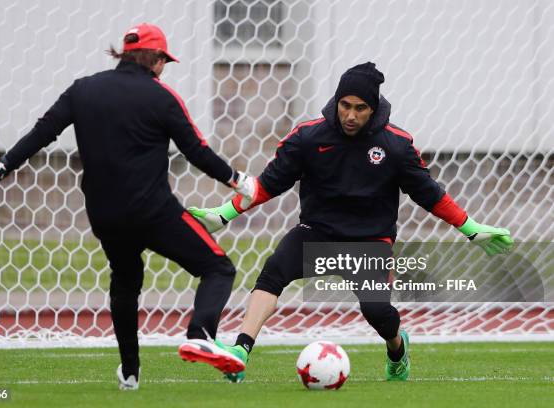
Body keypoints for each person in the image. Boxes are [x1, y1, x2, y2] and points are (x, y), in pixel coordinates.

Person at [0, 23, 255, 390]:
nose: (164, 67)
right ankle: (200, 333)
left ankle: (130, 373)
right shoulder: (161, 96)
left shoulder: (83, 90)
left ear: (124, 53)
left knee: (126, 280)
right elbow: (195, 151)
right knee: (217, 268)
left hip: (104, 215)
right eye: (164, 60)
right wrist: (239, 180)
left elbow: (41, 133)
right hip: (153, 212)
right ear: (157, 60)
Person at [184, 62, 514, 382]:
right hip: (317, 233)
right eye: (345, 105)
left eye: (360, 108)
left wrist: (472, 229)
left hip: (370, 242)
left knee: (377, 314)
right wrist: (223, 214)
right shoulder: (308, 138)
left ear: (374, 108)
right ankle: (241, 351)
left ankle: (397, 349)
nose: (351, 115)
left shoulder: (396, 145)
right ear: (336, 102)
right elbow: (269, 183)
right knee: (274, 269)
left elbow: (429, 194)